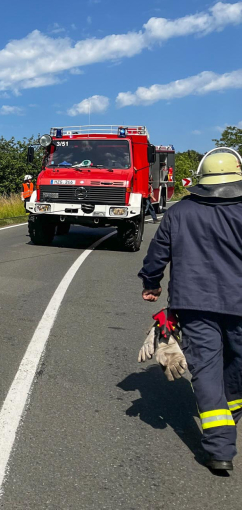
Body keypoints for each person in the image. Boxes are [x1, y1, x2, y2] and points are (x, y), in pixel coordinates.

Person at [138, 148, 242, 472]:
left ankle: (220, 443)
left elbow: (158, 252)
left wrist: (151, 282)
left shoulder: (180, 212)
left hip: (194, 303)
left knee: (207, 370)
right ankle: (225, 430)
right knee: (237, 365)